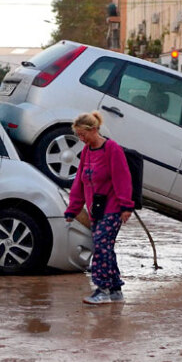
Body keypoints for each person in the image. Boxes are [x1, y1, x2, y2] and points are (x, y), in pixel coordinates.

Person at [64, 111, 133, 305]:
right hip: (96, 210)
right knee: (106, 248)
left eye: (83, 134)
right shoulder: (86, 151)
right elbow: (80, 182)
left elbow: (122, 178)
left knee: (101, 246)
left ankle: (102, 289)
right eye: (78, 135)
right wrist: (73, 209)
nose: (81, 138)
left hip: (112, 208)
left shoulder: (112, 149)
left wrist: (126, 206)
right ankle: (115, 290)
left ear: (94, 130)